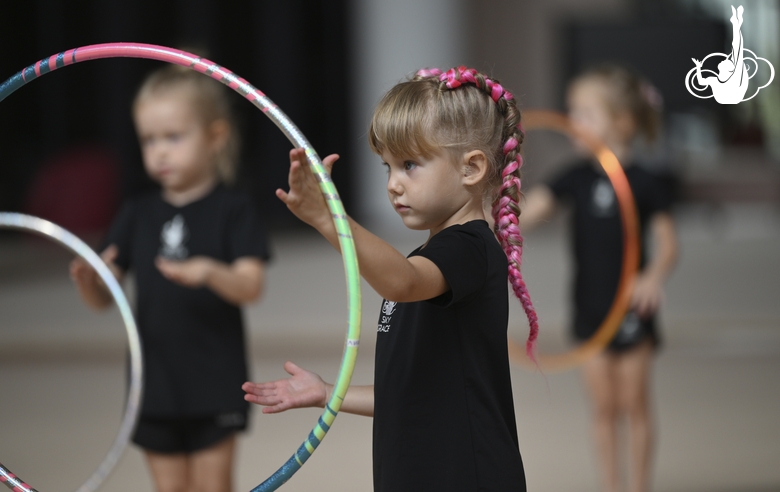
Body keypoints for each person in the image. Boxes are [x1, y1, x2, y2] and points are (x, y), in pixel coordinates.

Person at [243, 67, 538, 491]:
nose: (393, 185)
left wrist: (333, 222)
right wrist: (327, 392)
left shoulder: (468, 249)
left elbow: (400, 282)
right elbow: (410, 394)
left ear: (471, 168)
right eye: (387, 167)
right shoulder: (428, 259)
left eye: (410, 165)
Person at [70, 64, 270, 492]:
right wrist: (92, 282)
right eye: (149, 139)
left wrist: (210, 271)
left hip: (214, 381)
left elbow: (251, 286)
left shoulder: (233, 209)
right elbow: (108, 299)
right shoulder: (137, 212)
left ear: (215, 137)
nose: (159, 151)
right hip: (154, 384)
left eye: (173, 137)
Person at [521, 65, 678, 492]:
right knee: (604, 408)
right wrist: (494, 214)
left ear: (622, 122)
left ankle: (638, 486)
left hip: (630, 309)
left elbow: (668, 243)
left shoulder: (646, 182)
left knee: (634, 403)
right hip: (589, 309)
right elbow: (527, 214)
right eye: (571, 112)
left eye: (586, 113)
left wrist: (652, 275)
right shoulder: (574, 176)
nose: (575, 122)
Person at [692, 5, 748, 104]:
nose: (724, 60)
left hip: (731, 98)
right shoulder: (715, 80)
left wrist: (736, 25)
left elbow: (737, 48)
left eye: (726, 62)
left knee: (737, 51)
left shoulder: (733, 80)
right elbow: (701, 82)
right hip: (726, 99)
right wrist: (698, 67)